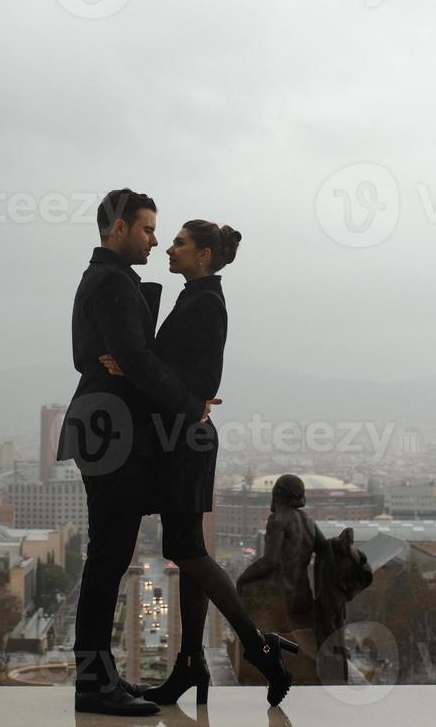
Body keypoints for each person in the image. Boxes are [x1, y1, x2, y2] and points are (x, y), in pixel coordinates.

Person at [101, 219, 298, 707]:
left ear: (204, 255)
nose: (169, 248)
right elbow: (182, 370)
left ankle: (258, 646)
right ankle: (191, 662)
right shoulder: (197, 296)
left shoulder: (205, 301)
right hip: (184, 434)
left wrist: (136, 367)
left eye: (180, 243)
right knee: (185, 547)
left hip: (184, 437)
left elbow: (200, 373)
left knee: (188, 550)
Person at [58, 188, 197, 716]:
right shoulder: (112, 282)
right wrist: (189, 405)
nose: (155, 239)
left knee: (110, 557)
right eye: (146, 229)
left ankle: (101, 678)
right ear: (118, 228)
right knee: (108, 557)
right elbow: (134, 360)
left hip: (105, 426)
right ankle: (95, 684)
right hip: (110, 429)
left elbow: (108, 357)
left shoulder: (105, 279)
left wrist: (130, 360)